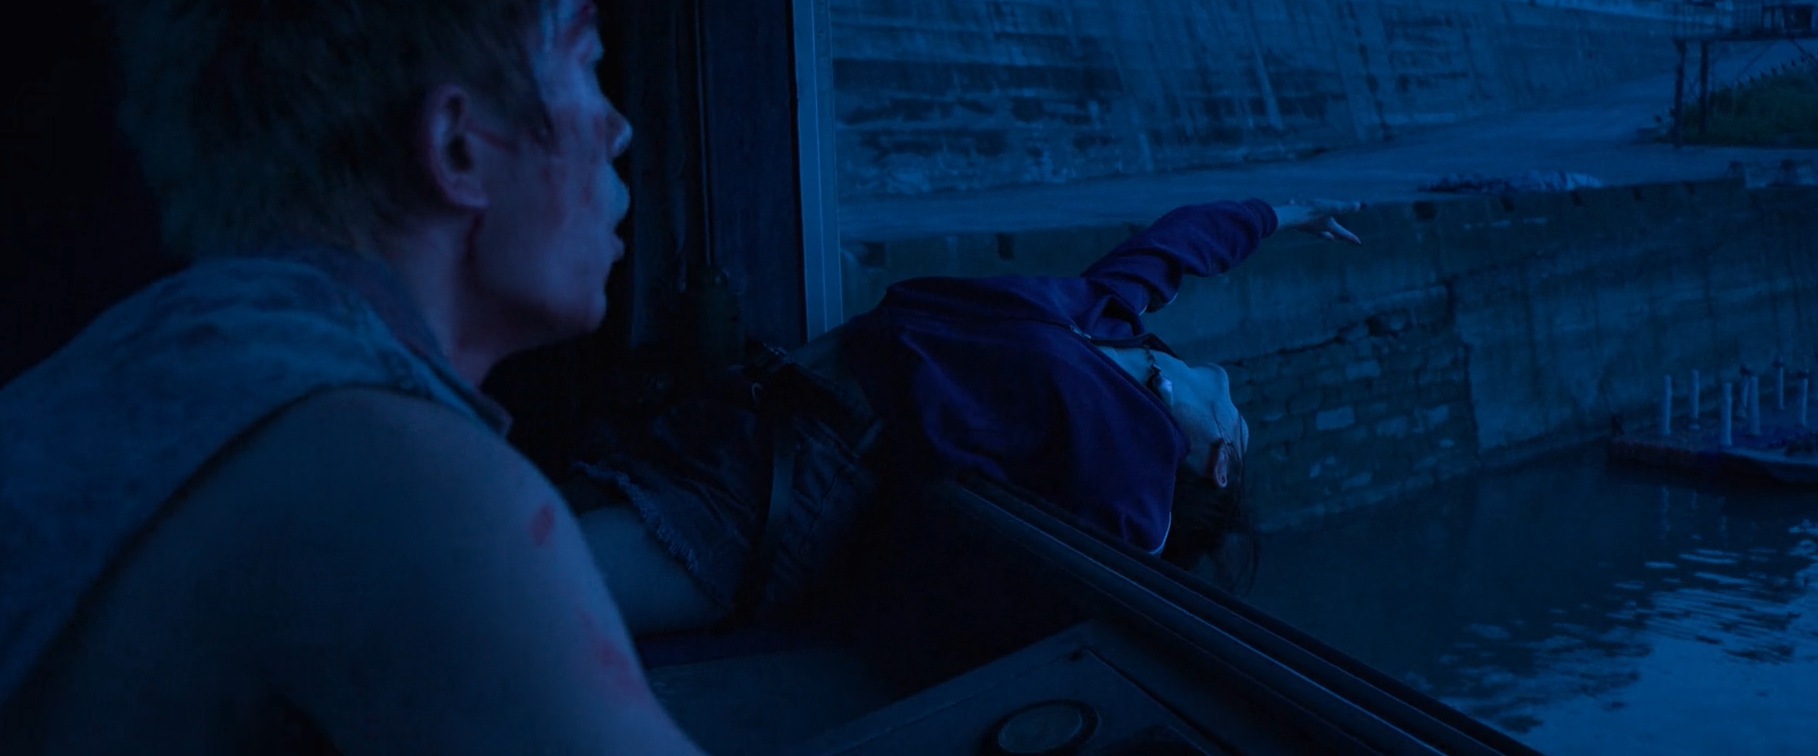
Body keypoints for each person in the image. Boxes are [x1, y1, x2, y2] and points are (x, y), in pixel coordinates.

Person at [0, 0, 711, 754]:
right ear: (457, 147)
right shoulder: (401, 486)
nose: (619, 127)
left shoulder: (123, 386)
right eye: (583, 61)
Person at [570, 197, 1365, 635]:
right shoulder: (1111, 325)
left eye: (1241, 429)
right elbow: (1180, 244)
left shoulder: (1138, 468)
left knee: (531, 596)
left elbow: (1127, 567)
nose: (1237, 399)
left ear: (1217, 457)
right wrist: (1288, 210)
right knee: (537, 519)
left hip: (784, 492)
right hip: (760, 411)